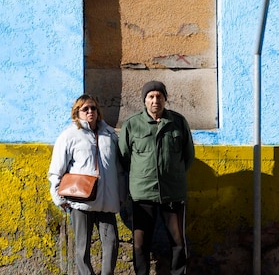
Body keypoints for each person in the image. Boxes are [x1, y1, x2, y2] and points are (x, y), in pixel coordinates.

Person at [119, 81, 195, 275]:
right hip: (143, 193)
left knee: (178, 241)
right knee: (140, 243)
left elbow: (188, 156)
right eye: (151, 97)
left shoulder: (178, 122)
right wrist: (143, 175)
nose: (155, 101)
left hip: (173, 193)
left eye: (159, 96)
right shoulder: (132, 124)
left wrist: (172, 174)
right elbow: (125, 157)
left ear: (165, 99)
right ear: (144, 100)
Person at [48, 94, 124, 275]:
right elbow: (56, 169)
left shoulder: (110, 134)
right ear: (77, 113)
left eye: (93, 108)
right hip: (80, 200)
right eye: (85, 109)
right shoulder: (69, 136)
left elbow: (120, 168)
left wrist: (121, 194)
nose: (90, 111)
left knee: (112, 242)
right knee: (82, 247)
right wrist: (58, 197)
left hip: (107, 200)